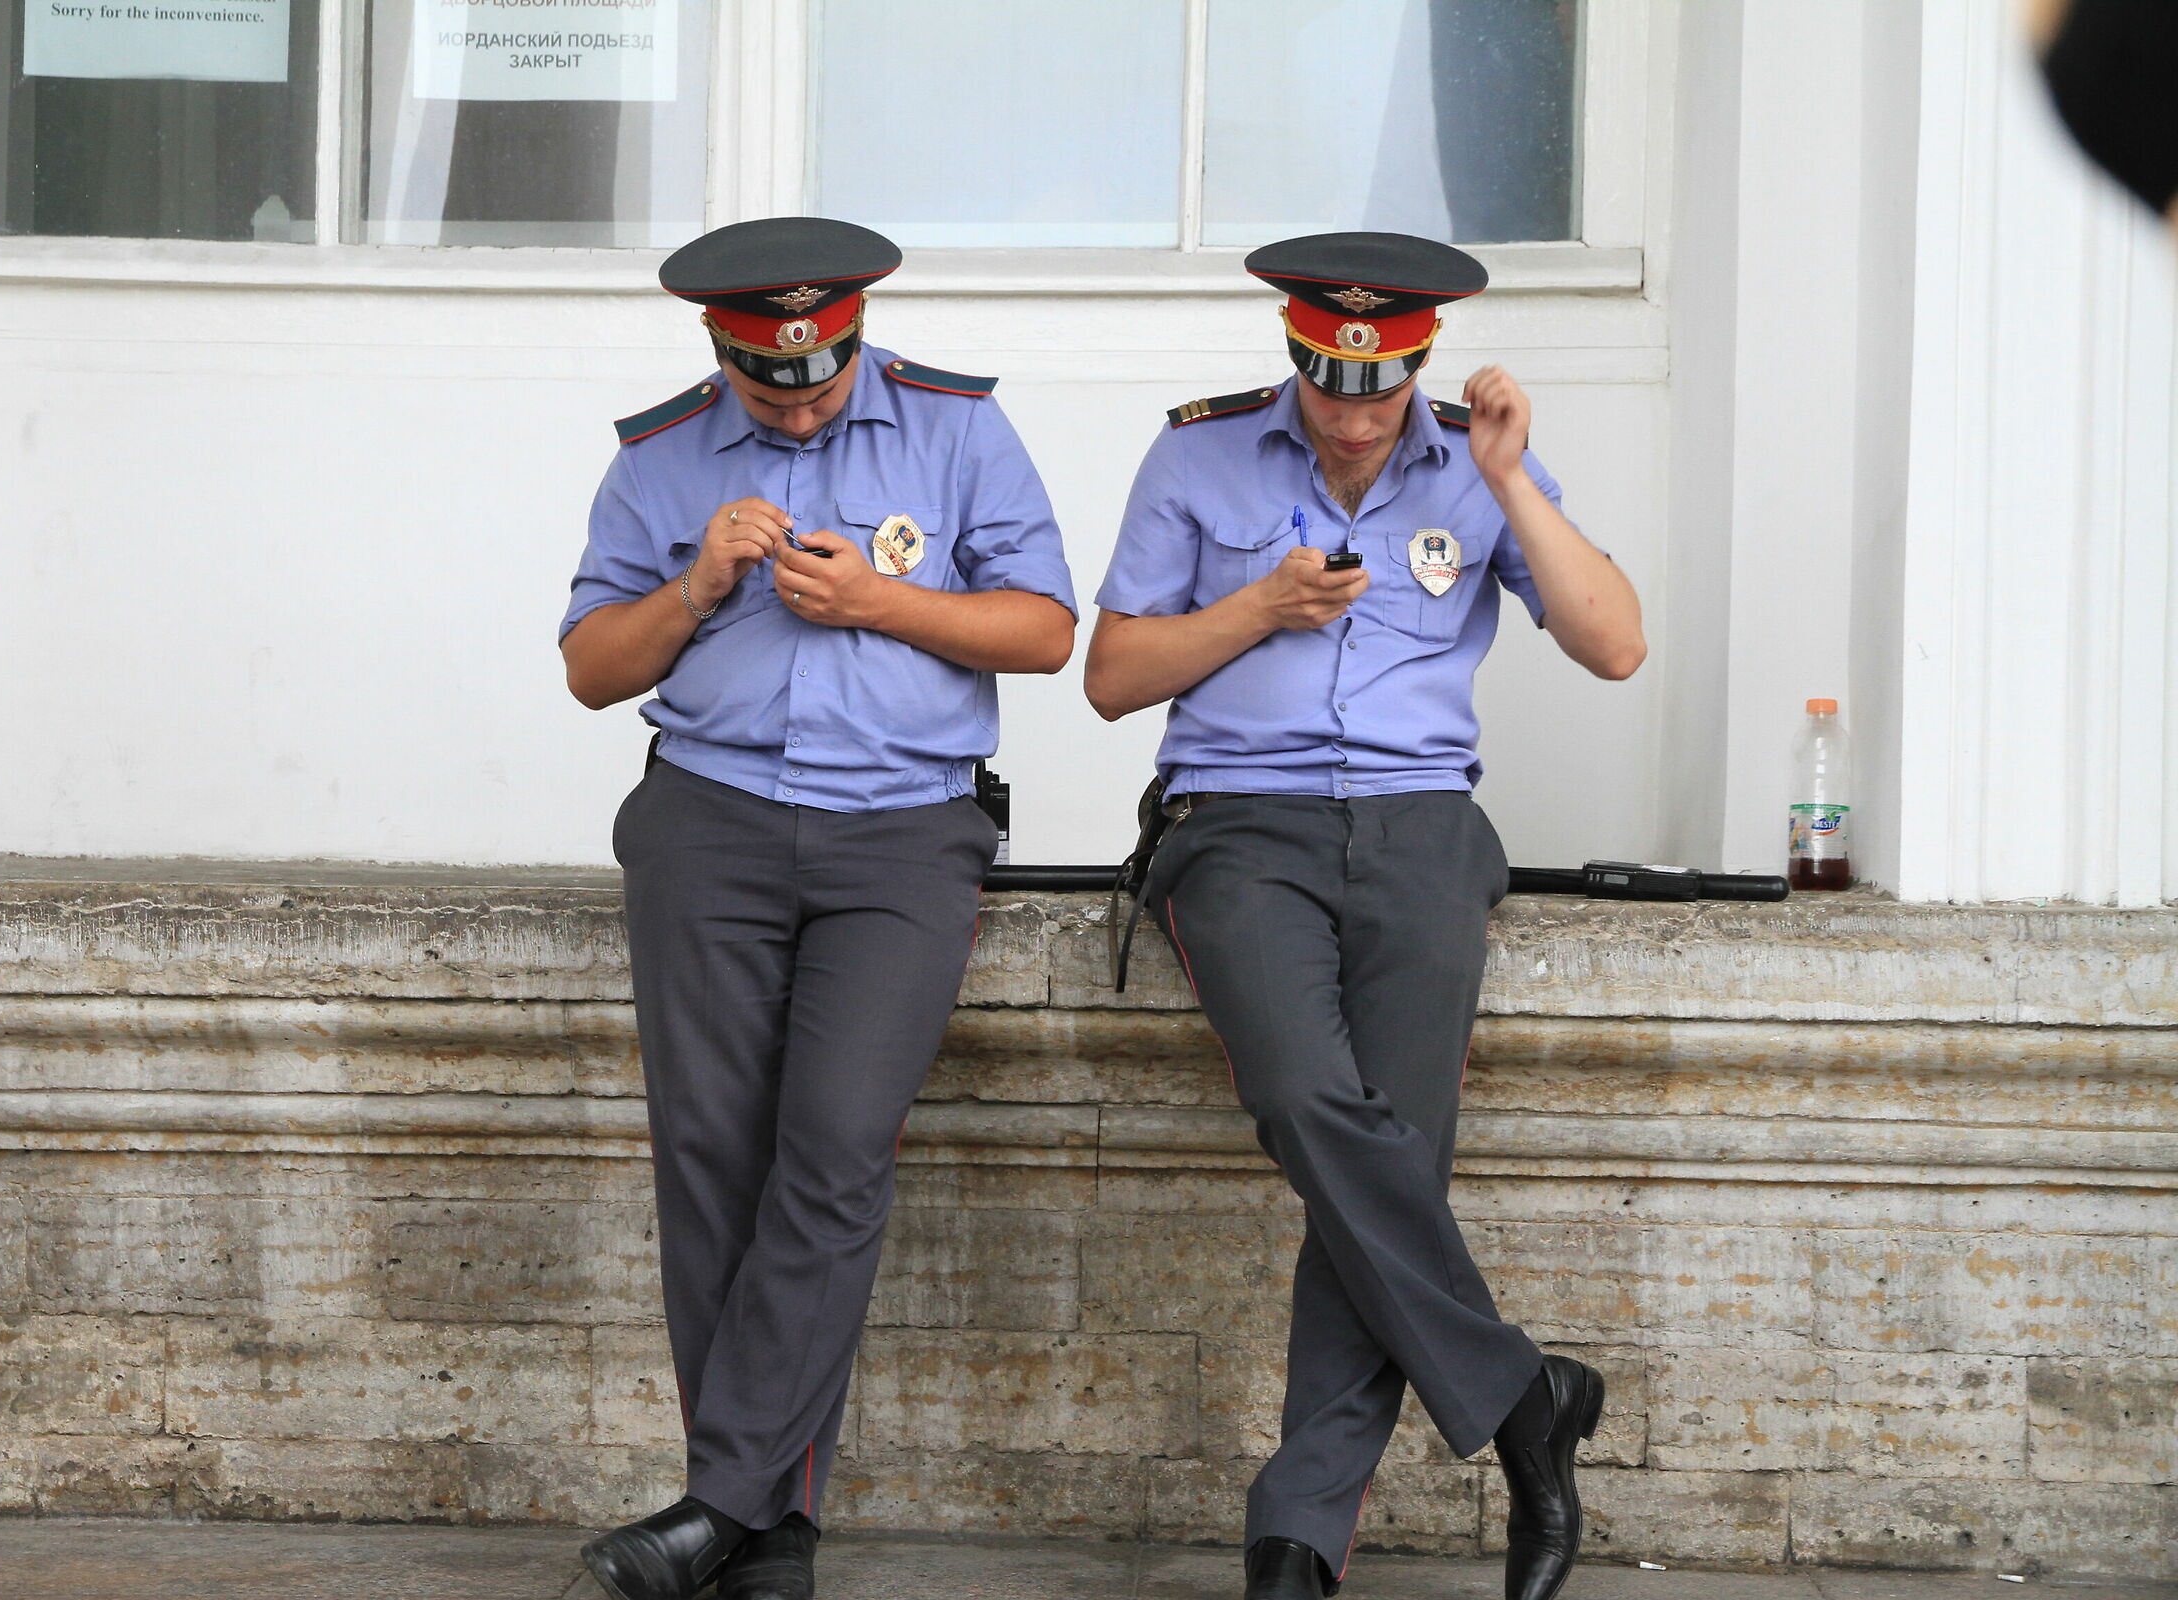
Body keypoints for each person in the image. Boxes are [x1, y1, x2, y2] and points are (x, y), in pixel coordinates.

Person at [1084, 232, 1646, 1600]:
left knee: (1389, 1155)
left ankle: (1296, 1539)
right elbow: (1109, 676)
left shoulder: (1474, 460)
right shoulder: (1198, 457)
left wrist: (1512, 479)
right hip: (1242, 825)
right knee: (1303, 1099)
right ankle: (1522, 1398)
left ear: (1418, 369)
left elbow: (1615, 640)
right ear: (1293, 358)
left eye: (1379, 389)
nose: (1349, 416)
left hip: (1420, 832)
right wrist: (1256, 609)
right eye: (1327, 385)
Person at [559, 216, 1077, 1600]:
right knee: (711, 1161)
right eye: (769, 376)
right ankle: (769, 1537)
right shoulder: (663, 456)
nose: (802, 395)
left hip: (903, 836)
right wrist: (697, 582)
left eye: (824, 367)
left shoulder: (958, 431)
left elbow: (1045, 629)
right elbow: (591, 671)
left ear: (853, 330)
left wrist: (882, 603)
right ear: (721, 350)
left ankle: (713, 1505)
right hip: (709, 824)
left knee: (837, 1143)